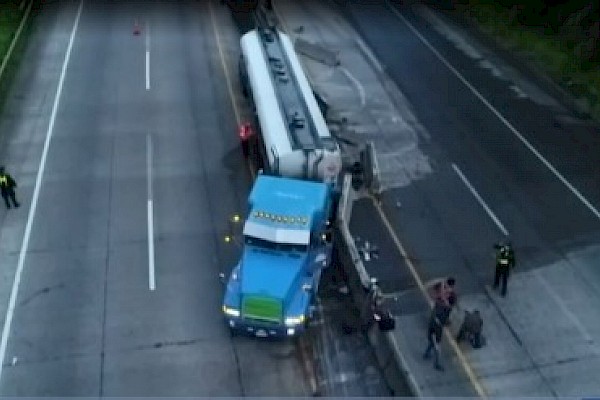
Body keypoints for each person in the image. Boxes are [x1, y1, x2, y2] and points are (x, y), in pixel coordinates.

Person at [423, 298, 450, 371]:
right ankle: (437, 364)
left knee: (431, 344)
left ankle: (426, 354)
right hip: (435, 336)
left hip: (435, 334)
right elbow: (433, 333)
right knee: (437, 351)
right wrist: (436, 342)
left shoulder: (437, 311)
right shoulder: (437, 320)